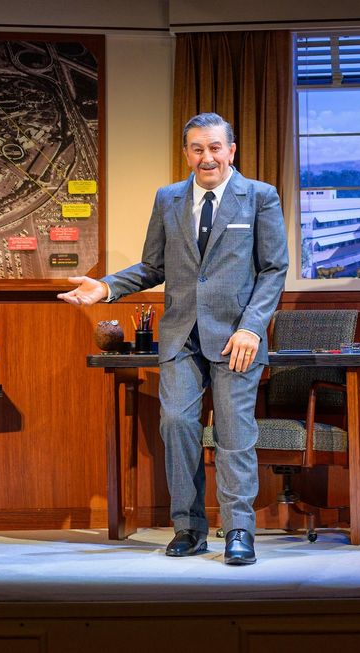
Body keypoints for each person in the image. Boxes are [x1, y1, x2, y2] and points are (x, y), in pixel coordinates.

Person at [58, 113, 288, 565]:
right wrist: (105, 287)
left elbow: (273, 269)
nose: (208, 157)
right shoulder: (168, 199)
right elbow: (152, 267)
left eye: (215, 148)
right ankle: (188, 527)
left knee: (233, 432)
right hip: (180, 334)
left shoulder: (259, 197)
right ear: (187, 153)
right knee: (176, 425)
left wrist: (251, 327)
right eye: (198, 149)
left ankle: (239, 529)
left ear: (231, 151)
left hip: (236, 337)